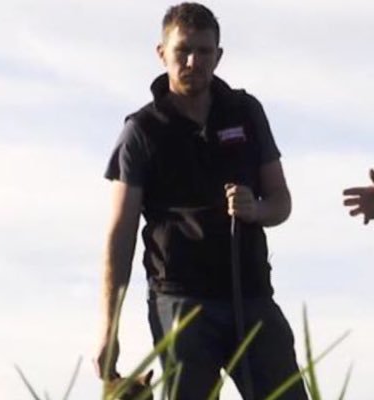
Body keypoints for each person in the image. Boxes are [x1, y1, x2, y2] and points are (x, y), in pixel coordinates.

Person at [95, 3, 308, 399]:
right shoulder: (141, 131)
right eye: (183, 51)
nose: (193, 61)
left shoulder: (246, 112)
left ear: (219, 55)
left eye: (204, 52)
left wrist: (256, 209)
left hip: (252, 296)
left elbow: (281, 201)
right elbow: (120, 234)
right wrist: (109, 328)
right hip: (180, 302)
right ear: (163, 54)